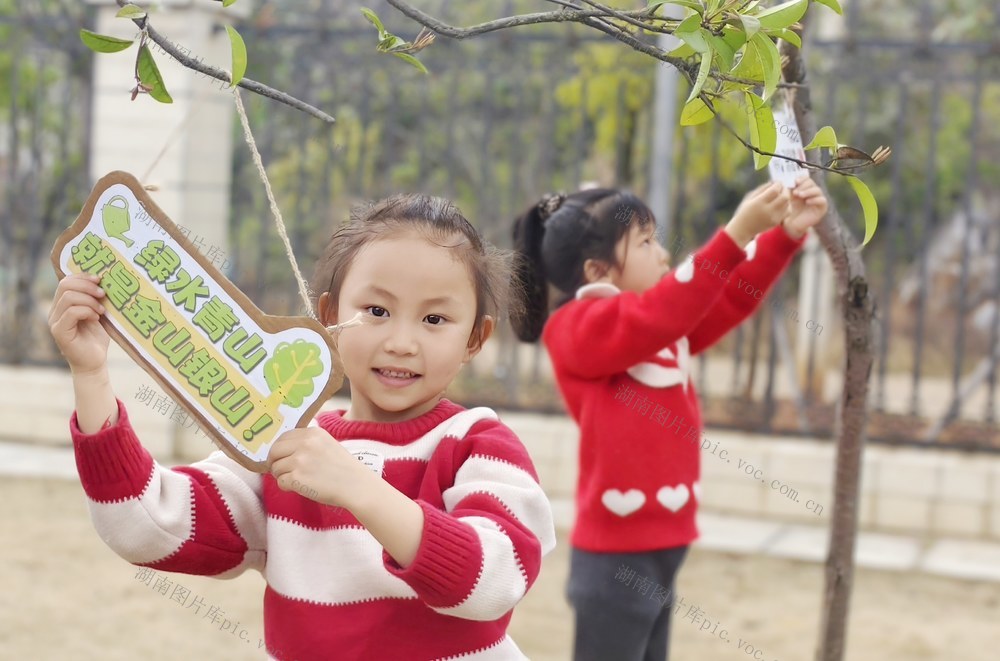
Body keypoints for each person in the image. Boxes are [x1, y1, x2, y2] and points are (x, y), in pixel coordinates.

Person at [49, 194, 557, 660]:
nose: (402, 341)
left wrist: (358, 487)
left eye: (434, 320)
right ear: (329, 314)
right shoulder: (284, 442)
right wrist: (91, 374)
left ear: (475, 338)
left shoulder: (479, 447)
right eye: (376, 311)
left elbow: (494, 580)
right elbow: (145, 527)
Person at [510, 175, 827, 661]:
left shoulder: (660, 325)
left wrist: (783, 235)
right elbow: (660, 314)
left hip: (667, 543)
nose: (662, 254)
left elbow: (730, 297)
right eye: (645, 242)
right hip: (615, 558)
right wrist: (734, 235)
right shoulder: (577, 329)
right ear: (598, 270)